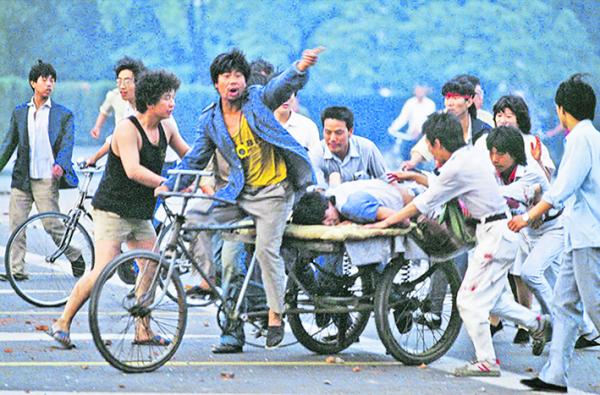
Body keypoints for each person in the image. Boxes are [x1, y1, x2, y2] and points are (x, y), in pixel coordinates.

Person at [156, 47, 322, 349]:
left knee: (265, 250)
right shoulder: (210, 120)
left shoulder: (258, 99)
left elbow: (282, 85)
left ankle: (275, 314)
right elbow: (195, 159)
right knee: (192, 217)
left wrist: (300, 66)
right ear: (216, 83)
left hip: (274, 193)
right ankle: (206, 280)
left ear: (246, 81)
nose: (233, 81)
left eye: (238, 76)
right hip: (239, 194)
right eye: (226, 76)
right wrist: (170, 184)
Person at [367, 112, 550, 377]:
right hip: (495, 233)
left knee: (466, 300)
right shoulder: (469, 156)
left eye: (429, 145)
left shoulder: (457, 165)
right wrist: (416, 177)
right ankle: (537, 323)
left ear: (437, 143)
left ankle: (487, 361)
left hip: (495, 235)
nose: (430, 150)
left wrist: (384, 223)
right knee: (494, 300)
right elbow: (445, 185)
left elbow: (423, 203)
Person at [47, 70, 189, 348]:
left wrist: (210, 167)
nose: (172, 103)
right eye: (167, 98)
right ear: (150, 102)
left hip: (140, 211)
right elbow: (133, 170)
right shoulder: (127, 129)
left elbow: (188, 153)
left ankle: (142, 330)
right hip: (112, 209)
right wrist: (167, 182)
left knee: (151, 266)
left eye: (173, 97)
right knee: (103, 270)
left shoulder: (168, 126)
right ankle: (62, 323)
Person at [509, 74, 600, 393]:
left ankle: (555, 374)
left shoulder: (579, 138)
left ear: (562, 110)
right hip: (578, 237)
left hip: (588, 237)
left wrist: (527, 216)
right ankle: (554, 375)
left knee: (596, 307)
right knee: (563, 306)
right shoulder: (590, 137)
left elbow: (561, 189)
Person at [0, 60, 82, 282]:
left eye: (52, 80)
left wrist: (61, 165)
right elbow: (8, 144)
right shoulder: (20, 113)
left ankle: (76, 256)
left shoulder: (62, 114)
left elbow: (67, 144)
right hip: (22, 178)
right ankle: (16, 269)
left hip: (47, 179)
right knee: (17, 224)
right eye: (44, 80)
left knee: (52, 225)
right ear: (33, 83)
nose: (49, 84)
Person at [489, 94, 556, 343]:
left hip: (535, 217)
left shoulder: (531, 143)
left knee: (529, 273)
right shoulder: (491, 142)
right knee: (512, 269)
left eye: (509, 115)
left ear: (520, 119)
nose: (504, 120)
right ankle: (511, 320)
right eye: (499, 115)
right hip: (510, 215)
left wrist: (535, 210)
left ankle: (540, 323)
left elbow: (543, 181)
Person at [403, 77, 491, 170]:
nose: (450, 103)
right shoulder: (442, 119)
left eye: (455, 98)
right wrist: (412, 163)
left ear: (469, 101)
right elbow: (424, 144)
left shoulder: (484, 126)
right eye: (448, 98)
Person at [310, 106, 388, 188]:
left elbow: (386, 181)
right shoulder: (316, 153)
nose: (332, 138)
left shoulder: (367, 148)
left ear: (350, 131)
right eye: (328, 132)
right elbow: (318, 190)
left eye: (338, 133)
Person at [293, 179, 413, 226]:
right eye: (321, 222)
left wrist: (360, 226)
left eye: (325, 217)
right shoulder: (333, 193)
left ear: (328, 204)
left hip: (416, 201)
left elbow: (403, 220)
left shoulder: (351, 207)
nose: (327, 223)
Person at [387, 84, 436, 161]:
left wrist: (419, 131)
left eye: (421, 89)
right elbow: (403, 118)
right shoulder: (410, 102)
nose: (420, 92)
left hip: (424, 137)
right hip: (410, 136)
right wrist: (393, 128)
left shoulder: (430, 104)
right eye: (418, 89)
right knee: (404, 156)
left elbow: (428, 121)